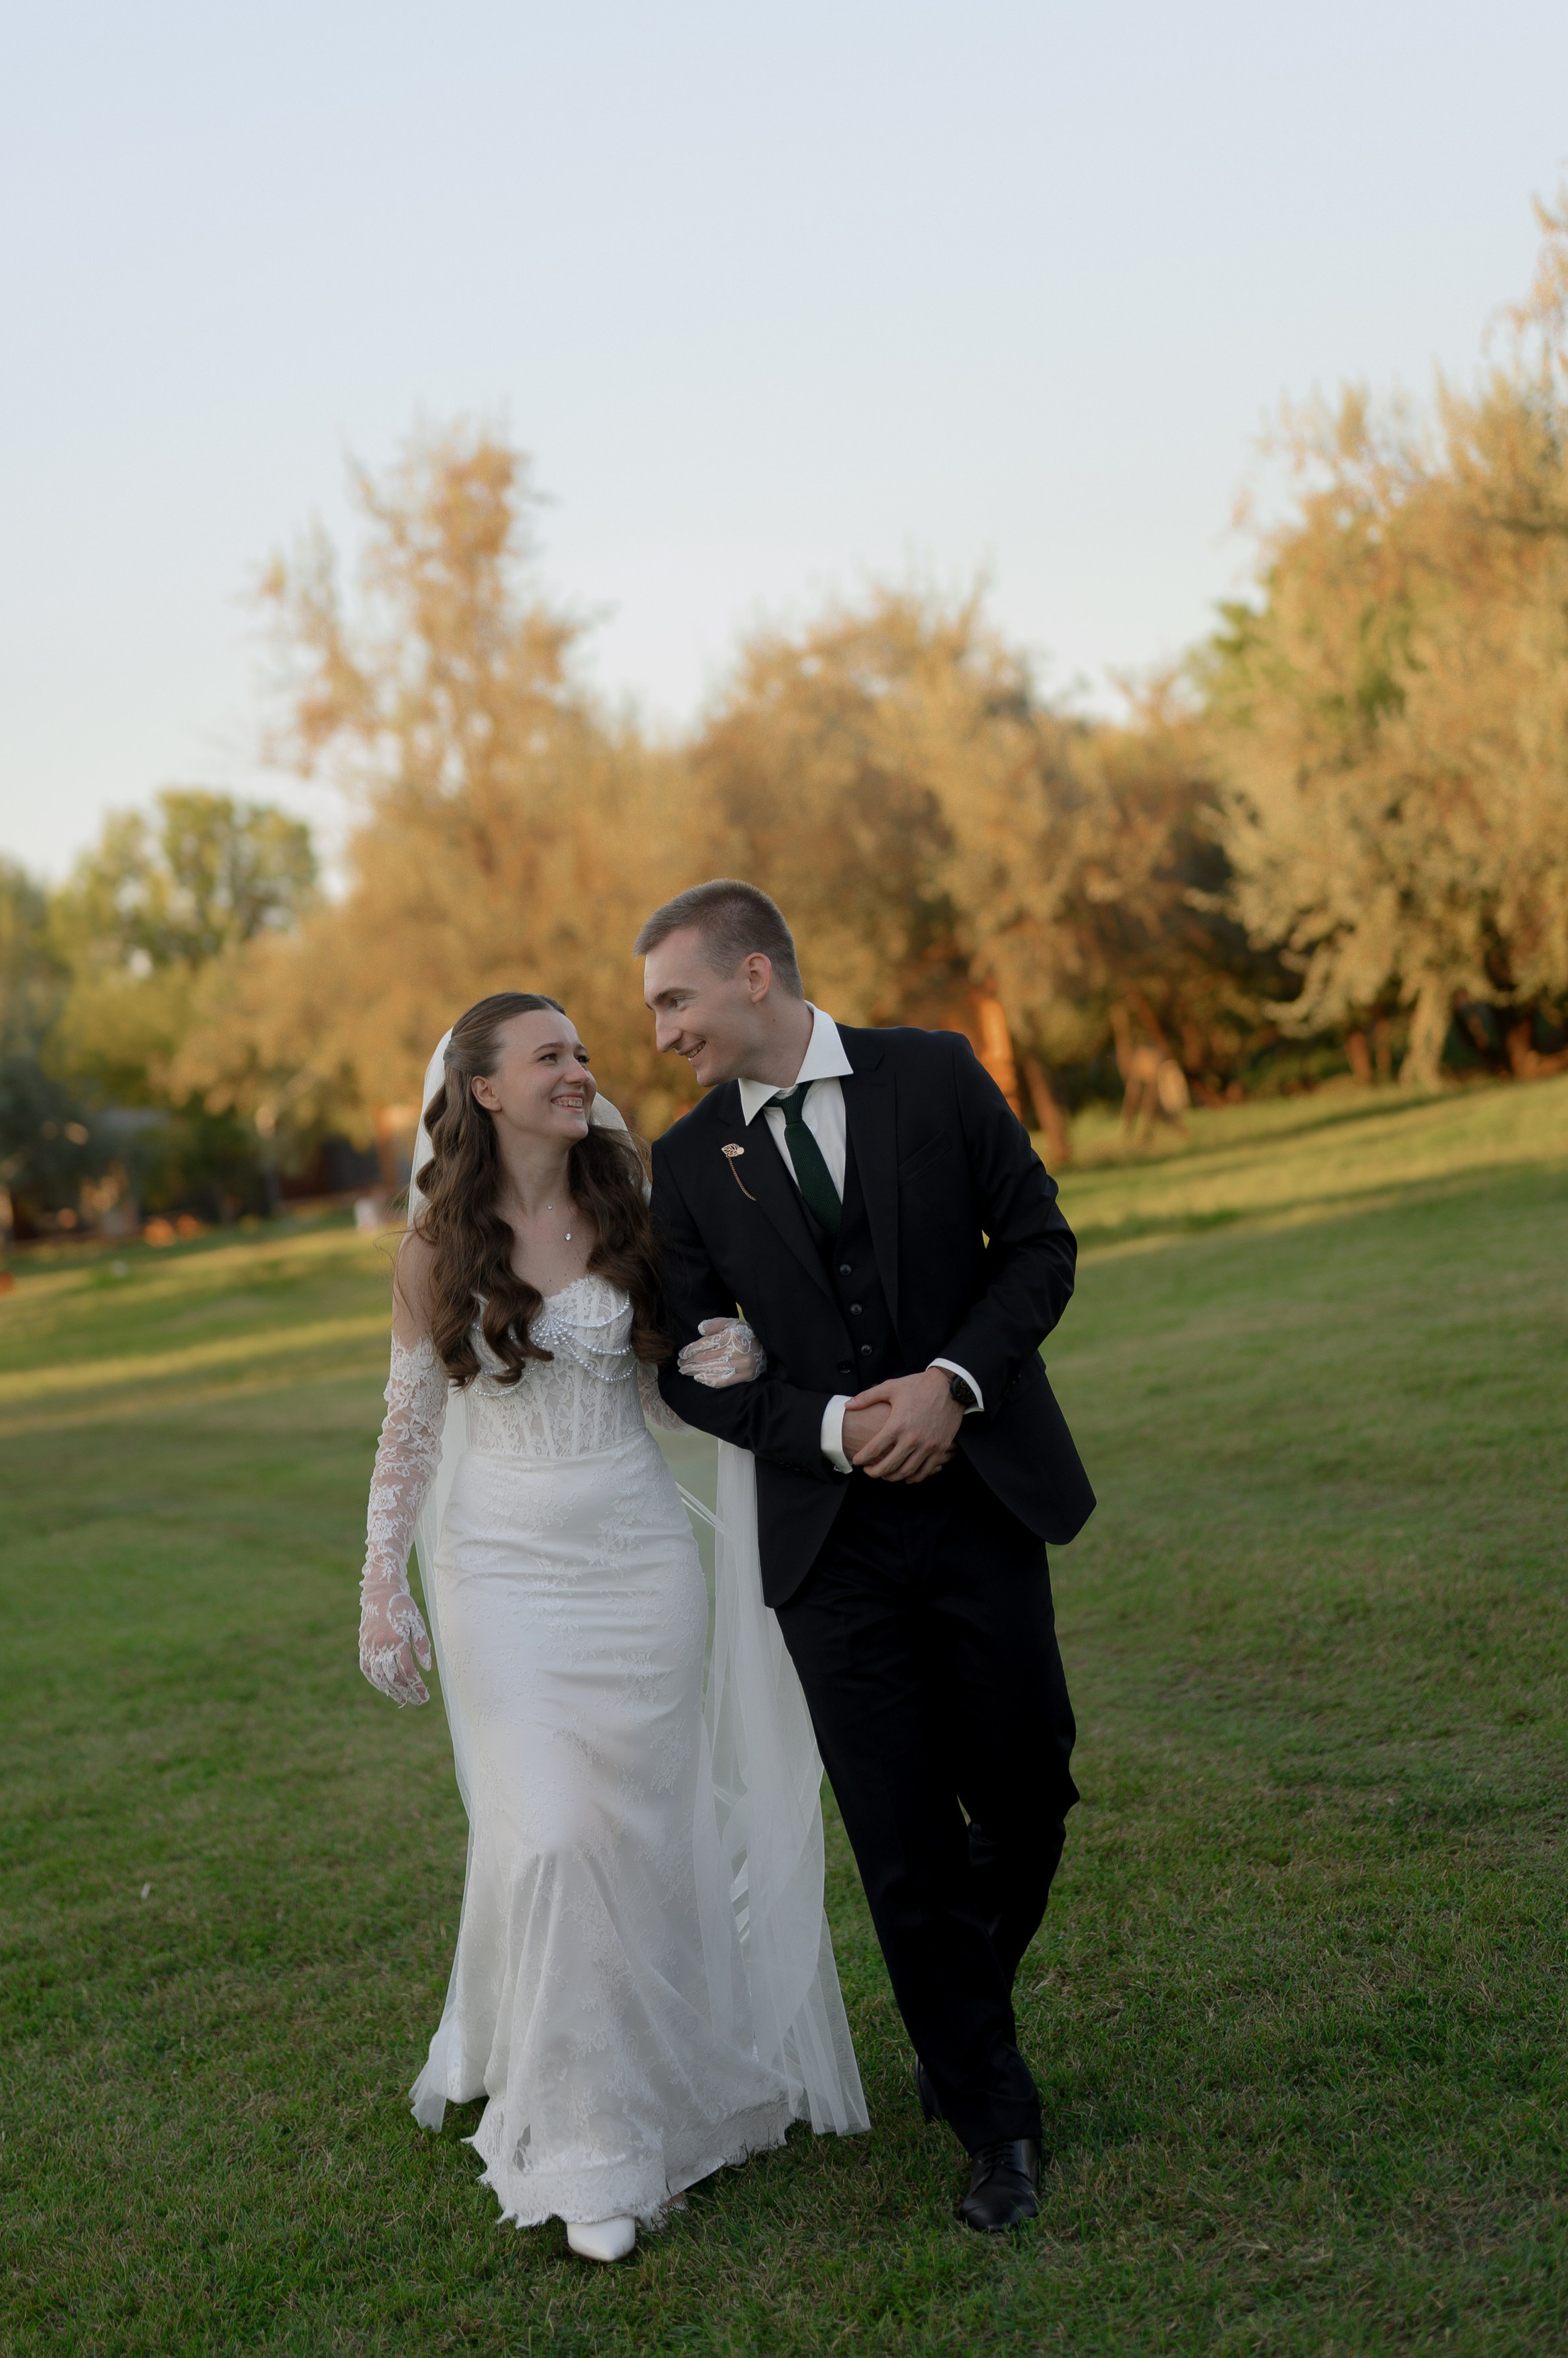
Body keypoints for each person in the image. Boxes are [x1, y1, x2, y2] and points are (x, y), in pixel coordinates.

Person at [358, 990, 866, 2265]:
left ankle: (666, 2074)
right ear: (483, 1089)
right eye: (552, 1057)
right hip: (501, 1571)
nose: (582, 1071)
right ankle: (587, 2142)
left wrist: (731, 1369)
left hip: (639, 1560)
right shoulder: (434, 1248)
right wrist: (382, 1584)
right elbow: (412, 1430)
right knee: (552, 1835)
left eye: (584, 1052)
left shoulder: (633, 1208)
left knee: (641, 1831)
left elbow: (665, 1395)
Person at [637, 883, 1095, 2235]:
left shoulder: (933, 1073)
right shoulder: (684, 1161)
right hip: (828, 1545)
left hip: (982, 1499)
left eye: (676, 999)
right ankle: (990, 2118)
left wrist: (952, 1381)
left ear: (756, 975)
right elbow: (692, 1372)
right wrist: (834, 1424)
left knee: (1029, 1793)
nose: (662, 1031)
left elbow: (1041, 1246)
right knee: (900, 1844)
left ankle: (962, 2011)